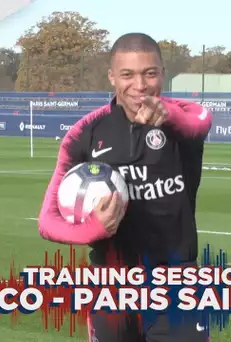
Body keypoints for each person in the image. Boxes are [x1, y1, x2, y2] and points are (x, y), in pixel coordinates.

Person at [37, 32, 212, 342]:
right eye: (127, 75)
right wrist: (93, 229)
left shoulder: (184, 118)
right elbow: (47, 222)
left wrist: (168, 116)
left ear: (162, 74)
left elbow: (199, 122)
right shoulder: (85, 133)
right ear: (112, 77)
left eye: (150, 73)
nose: (140, 86)